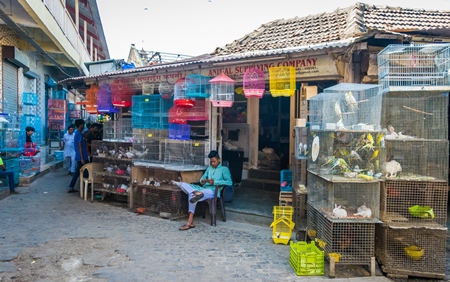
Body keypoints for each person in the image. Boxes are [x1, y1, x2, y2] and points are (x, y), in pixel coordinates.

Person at [172, 150, 232, 231]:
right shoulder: (209, 168)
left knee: (192, 196)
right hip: (203, 189)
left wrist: (215, 182)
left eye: (214, 161)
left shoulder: (224, 169)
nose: (212, 163)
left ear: (219, 160)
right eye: (211, 162)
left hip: (212, 192)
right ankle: (195, 192)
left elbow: (229, 182)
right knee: (183, 184)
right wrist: (202, 180)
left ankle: (189, 222)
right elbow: (201, 179)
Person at [67, 119, 89, 193]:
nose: (83, 126)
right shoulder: (79, 134)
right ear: (80, 125)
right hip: (82, 157)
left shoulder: (78, 133)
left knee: (78, 172)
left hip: (80, 156)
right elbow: (79, 146)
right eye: (83, 124)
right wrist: (82, 158)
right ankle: (86, 187)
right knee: (85, 171)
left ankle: (72, 186)